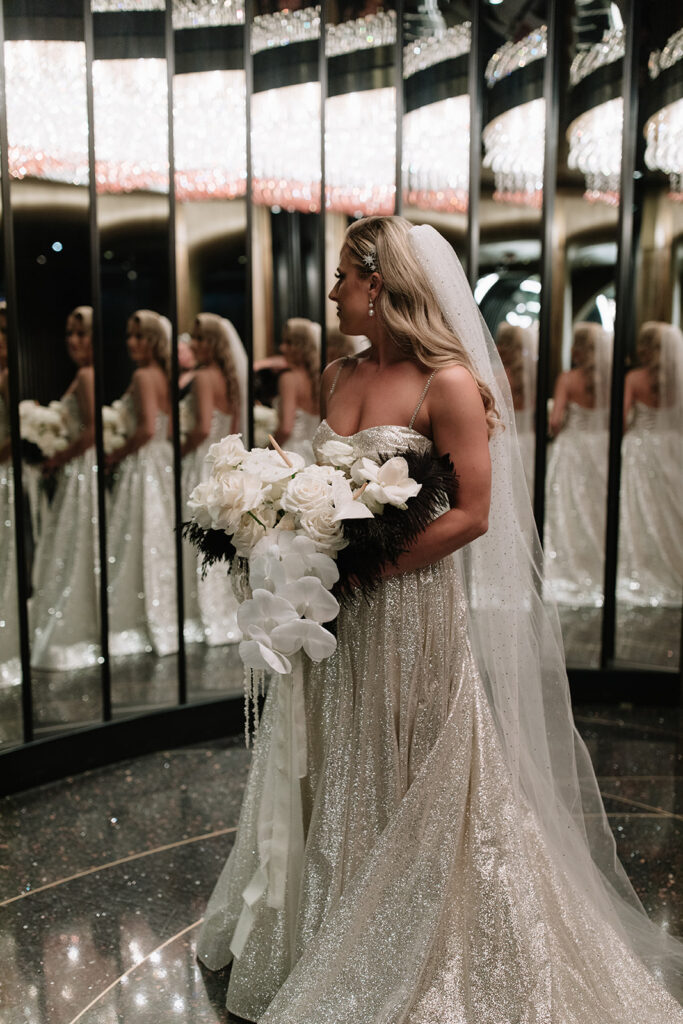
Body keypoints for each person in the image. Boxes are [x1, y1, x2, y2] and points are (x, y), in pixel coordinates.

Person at [197, 217, 683, 1021]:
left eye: (342, 280)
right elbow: (322, 481)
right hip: (330, 606)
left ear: (378, 283)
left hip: (406, 605)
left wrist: (361, 569)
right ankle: (323, 916)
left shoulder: (446, 383)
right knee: (336, 743)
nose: (331, 294)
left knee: (406, 747)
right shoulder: (335, 373)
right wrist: (276, 522)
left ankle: (413, 924)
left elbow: (473, 514)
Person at [30, 306, 101, 671]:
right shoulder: (83, 374)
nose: (73, 341)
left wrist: (59, 457)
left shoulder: (88, 375)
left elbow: (92, 430)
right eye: (70, 333)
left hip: (80, 467)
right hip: (76, 466)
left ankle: (77, 626)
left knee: (75, 544)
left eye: (82, 333)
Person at [106, 310, 178, 658]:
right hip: (163, 458)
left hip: (146, 458)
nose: (131, 342)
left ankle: (137, 614)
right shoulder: (165, 374)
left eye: (139, 336)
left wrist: (117, 453)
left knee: (141, 534)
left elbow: (148, 428)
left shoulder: (144, 376)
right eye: (129, 336)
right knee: (158, 532)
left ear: (153, 340)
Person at [181, 313, 242, 646]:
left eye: (200, 338)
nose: (193, 343)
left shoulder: (203, 377)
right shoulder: (228, 377)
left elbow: (203, 428)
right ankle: (223, 609)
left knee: (198, 536)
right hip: (223, 466)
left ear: (214, 343)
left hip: (201, 462)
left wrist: (181, 448)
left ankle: (200, 611)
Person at [544, 320, 612, 606]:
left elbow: (556, 421)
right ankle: (597, 565)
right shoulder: (609, 379)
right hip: (601, 448)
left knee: (570, 507)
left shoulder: (568, 379)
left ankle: (571, 564)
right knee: (597, 507)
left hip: (572, 449)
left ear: (580, 350)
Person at [618, 321, 683, 608]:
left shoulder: (634, 378)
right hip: (672, 447)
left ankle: (643, 566)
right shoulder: (679, 377)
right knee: (670, 507)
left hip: (640, 448)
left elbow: (620, 419)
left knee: (641, 508)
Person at [495, 320, 537, 495]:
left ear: (502, 348)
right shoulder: (533, 379)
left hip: (504, 445)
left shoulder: (497, 378)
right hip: (529, 442)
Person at [272, 317, 321, 464]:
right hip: (313, 455)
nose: (282, 348)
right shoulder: (318, 378)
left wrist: (267, 450)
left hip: (290, 454)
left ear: (302, 346)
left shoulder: (289, 378)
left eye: (289, 343)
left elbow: (286, 428)